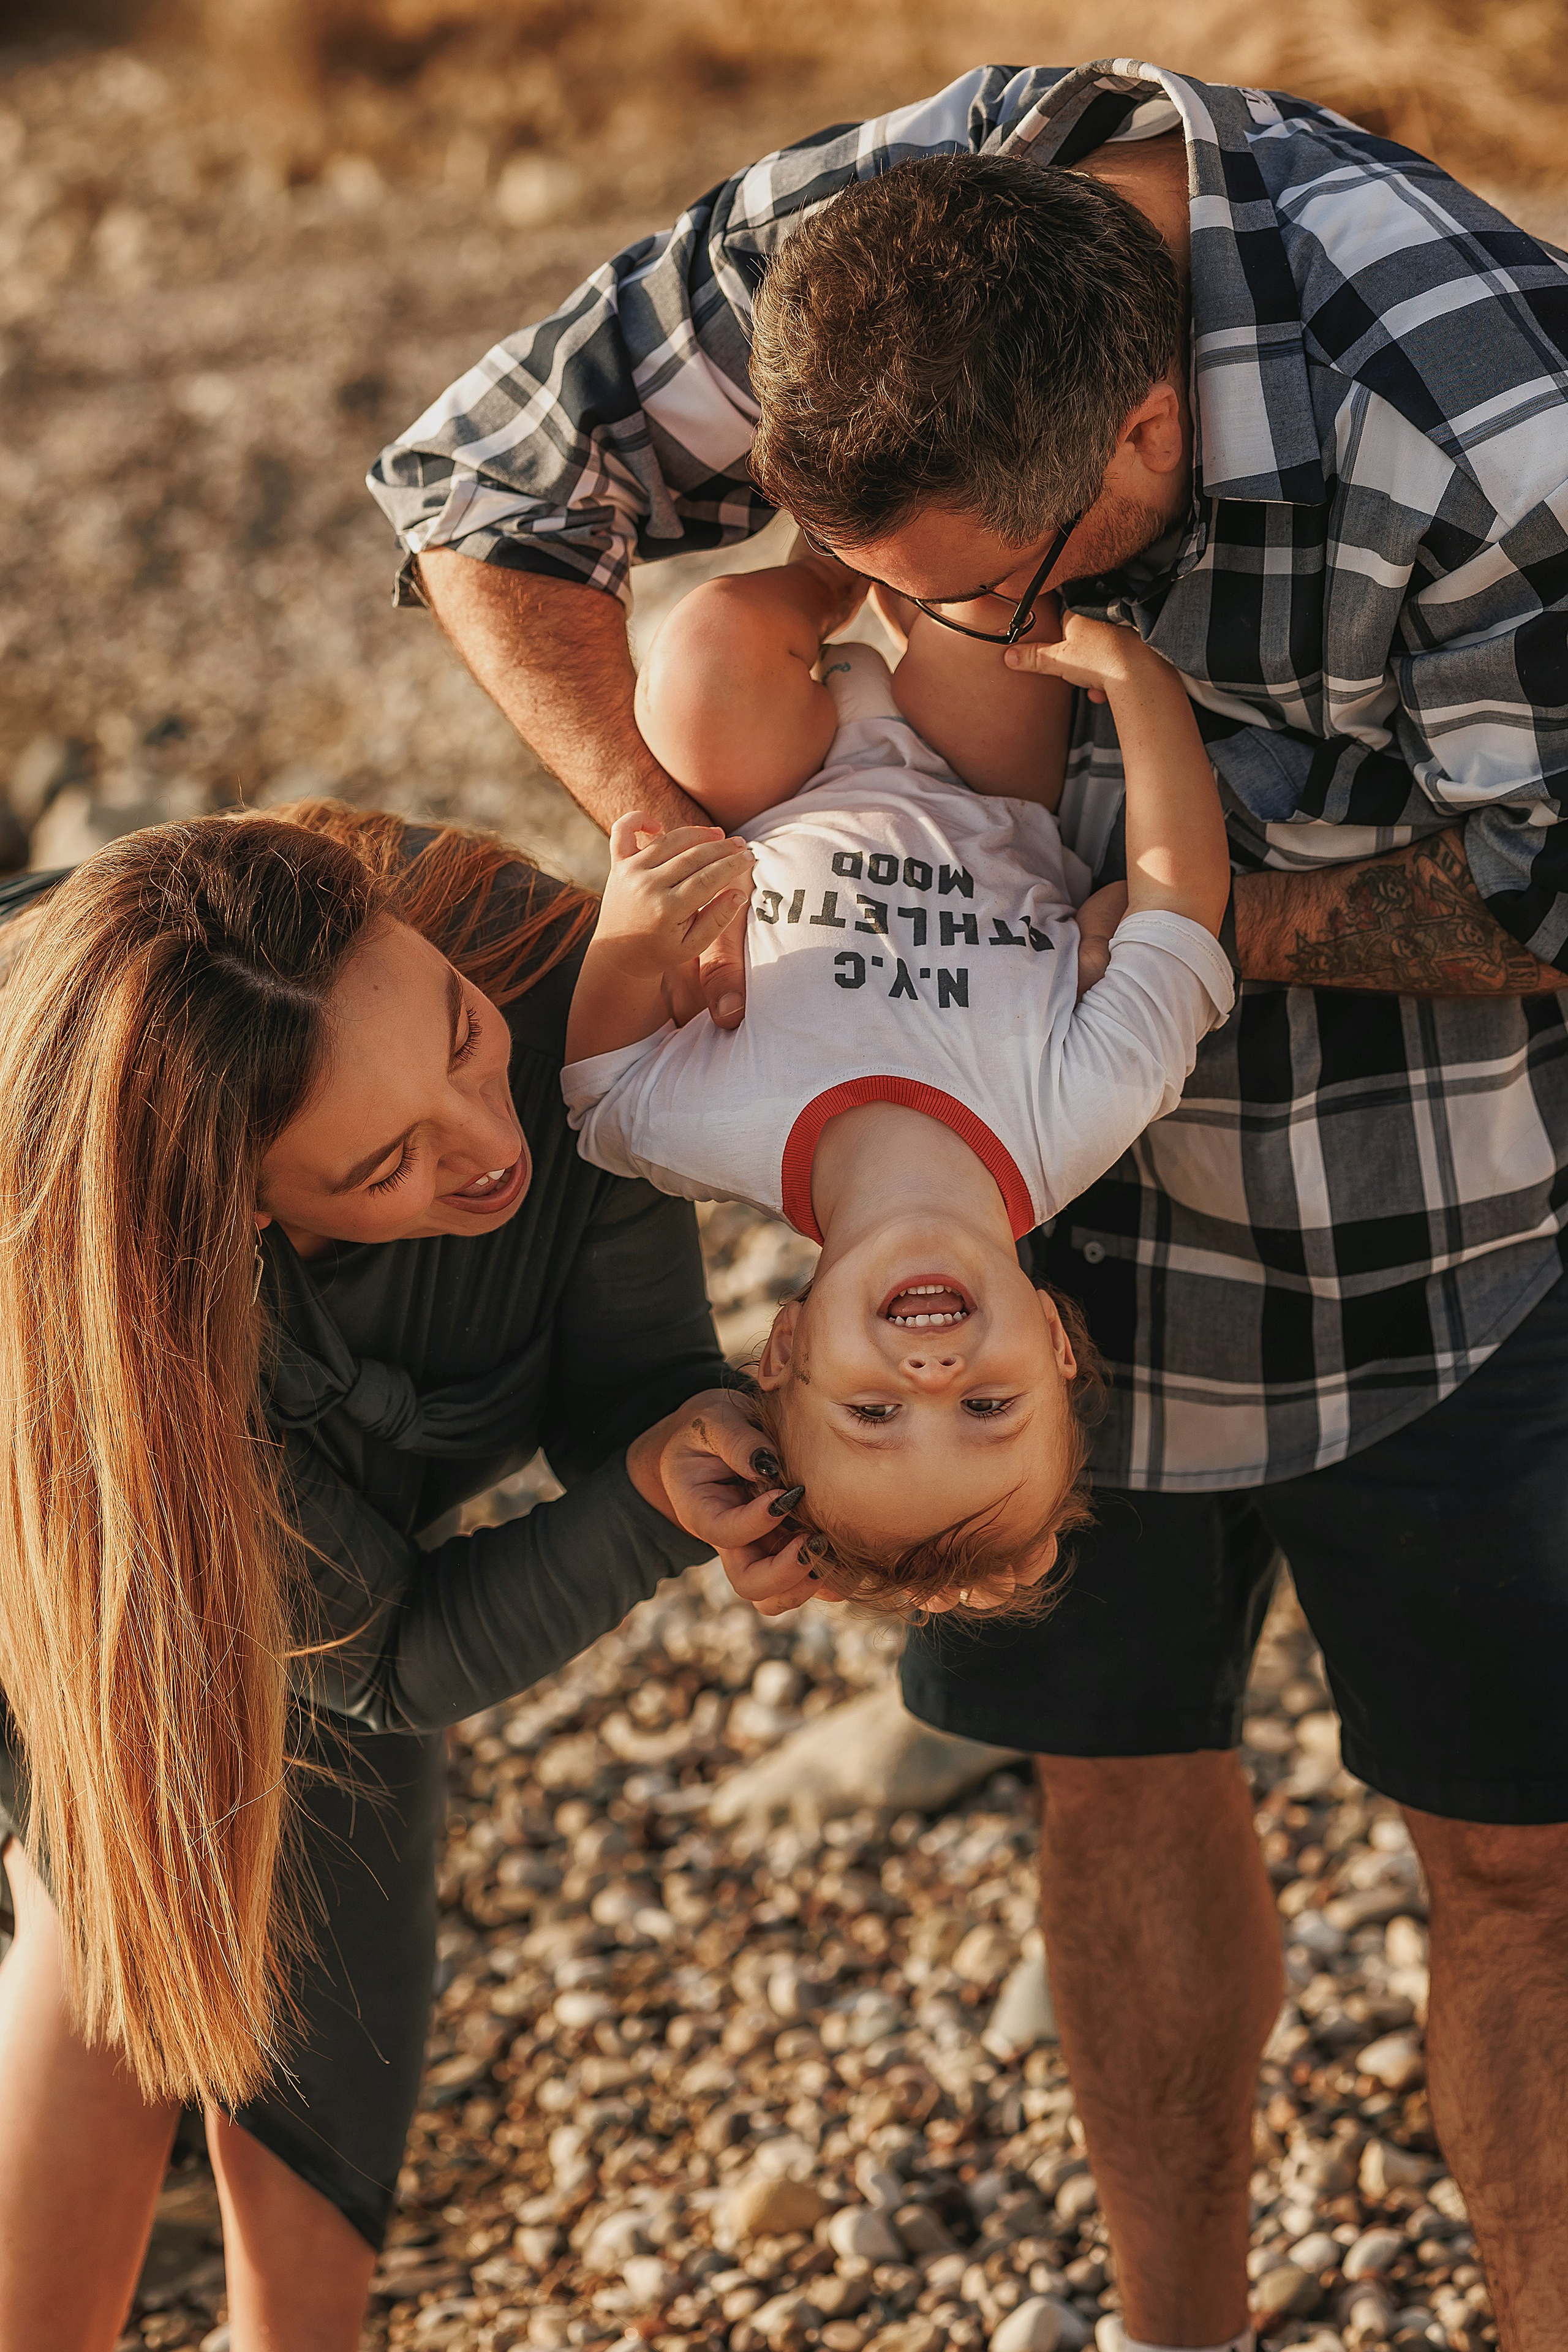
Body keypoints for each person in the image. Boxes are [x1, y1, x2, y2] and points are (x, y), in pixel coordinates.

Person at [370, 62, 1568, 2350]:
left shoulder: (1499, 424)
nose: (928, 644)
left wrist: (1153, 932)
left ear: (1138, 443)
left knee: (1521, 1852)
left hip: (1415, 1232)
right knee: (1107, 1787)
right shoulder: (867, 250)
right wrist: (661, 821)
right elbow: (479, 477)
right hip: (1049, 1267)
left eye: (973, 598)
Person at [0, 803, 788, 2352]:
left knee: (344, 1921)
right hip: (58, 1465)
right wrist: (643, 1509)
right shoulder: (109, 1301)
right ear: (240, 1214)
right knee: (121, 1892)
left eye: (459, 1039)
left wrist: (740, 1467)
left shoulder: (552, 978)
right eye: (386, 1165)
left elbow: (630, 1388)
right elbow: (383, 1662)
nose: (487, 1142)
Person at [561, 557, 1231, 1600]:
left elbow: (599, 1096)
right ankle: (897, 557)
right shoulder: (1078, 1116)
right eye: (989, 1410)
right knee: (988, 584)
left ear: (785, 1349)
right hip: (984, 786)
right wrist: (1140, 683)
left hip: (777, 788)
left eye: (873, 1417)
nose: (933, 1381)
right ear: (1054, 1339)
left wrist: (630, 940)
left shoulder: (713, 1130)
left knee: (705, 655)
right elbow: (1180, 907)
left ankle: (828, 569)